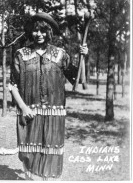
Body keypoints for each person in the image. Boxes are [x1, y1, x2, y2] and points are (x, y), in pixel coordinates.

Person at [9, 12, 88, 180]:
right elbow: (12, 86)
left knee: (51, 153)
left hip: (54, 113)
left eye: (44, 31)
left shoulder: (60, 54)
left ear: (50, 32)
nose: (39, 34)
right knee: (29, 152)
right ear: (31, 31)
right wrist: (23, 107)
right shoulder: (20, 54)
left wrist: (83, 58)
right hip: (29, 112)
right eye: (36, 30)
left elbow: (77, 78)